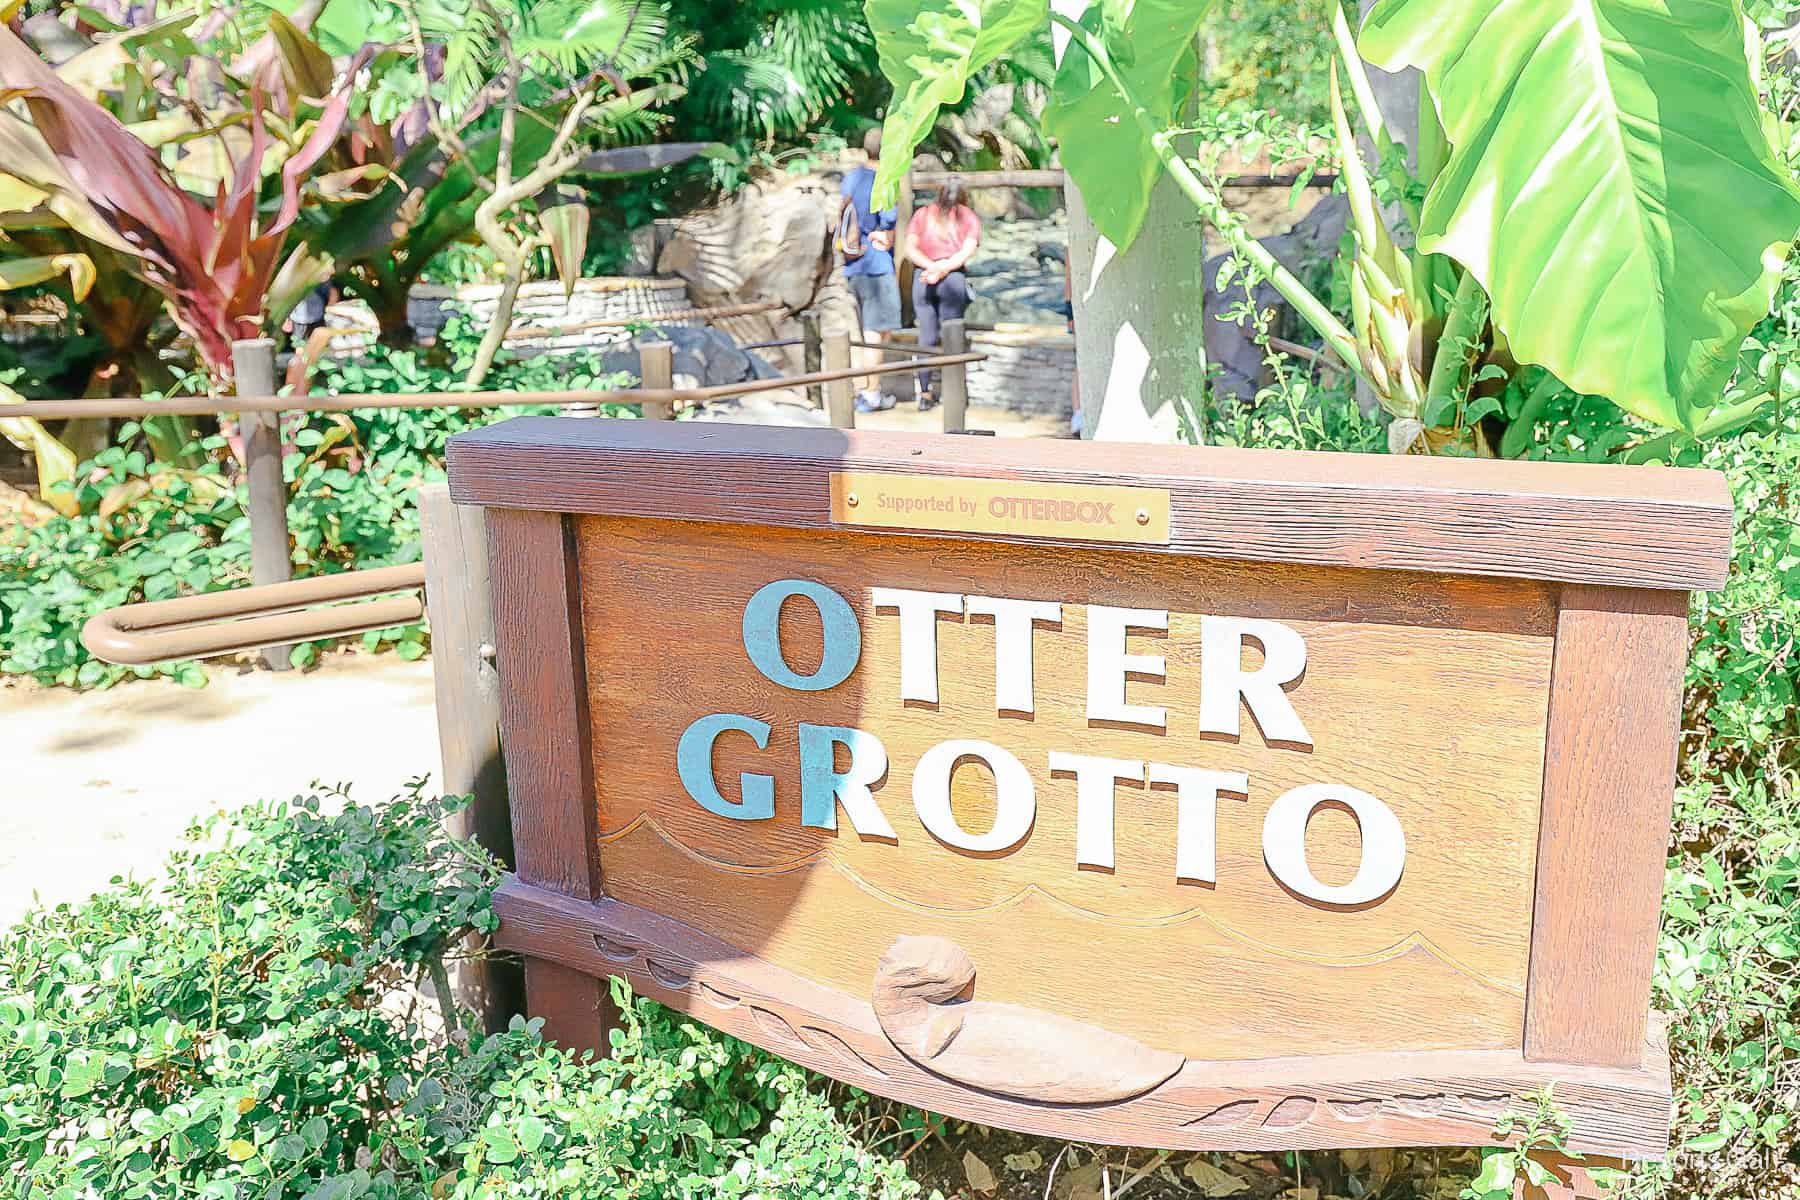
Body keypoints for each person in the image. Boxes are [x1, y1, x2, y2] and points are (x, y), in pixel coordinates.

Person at [836, 127, 900, 413]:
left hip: (852, 264)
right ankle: (871, 394)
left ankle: (864, 388)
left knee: (864, 332)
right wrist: (885, 234)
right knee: (877, 332)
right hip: (876, 264)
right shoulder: (884, 181)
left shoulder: (851, 178)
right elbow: (888, 220)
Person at [905, 181, 980, 409]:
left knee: (926, 337)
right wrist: (944, 268)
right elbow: (968, 250)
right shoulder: (967, 216)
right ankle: (955, 394)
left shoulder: (923, 214)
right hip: (952, 279)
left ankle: (925, 394)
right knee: (953, 336)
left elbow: (910, 248)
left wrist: (931, 267)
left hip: (924, 278)